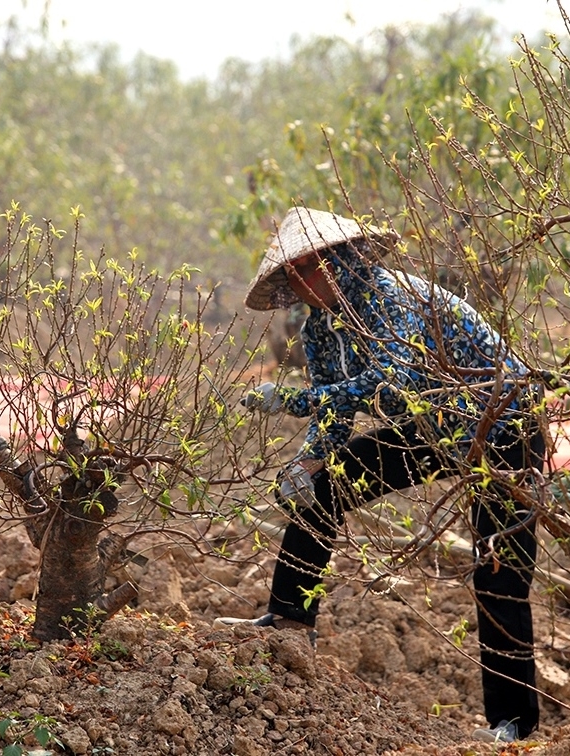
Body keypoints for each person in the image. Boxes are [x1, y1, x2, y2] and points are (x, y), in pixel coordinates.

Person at [219, 206, 545, 743]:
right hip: (432, 424)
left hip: (500, 422)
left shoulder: (389, 297)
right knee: (322, 489)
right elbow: (338, 412)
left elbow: (391, 384)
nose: (307, 278)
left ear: (339, 258)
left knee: (498, 567)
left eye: (314, 264)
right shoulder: (322, 328)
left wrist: (294, 400)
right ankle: (289, 621)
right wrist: (307, 460)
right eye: (296, 271)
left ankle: (513, 722)